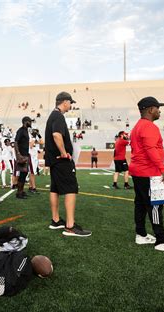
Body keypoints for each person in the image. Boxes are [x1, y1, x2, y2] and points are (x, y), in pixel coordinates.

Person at [129, 96, 164, 253]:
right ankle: (161, 240)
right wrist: (163, 169)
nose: (159, 110)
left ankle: (141, 234)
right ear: (150, 110)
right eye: (157, 108)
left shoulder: (137, 127)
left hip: (138, 171)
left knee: (140, 203)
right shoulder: (149, 127)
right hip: (148, 172)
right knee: (155, 205)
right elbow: (150, 149)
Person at [45, 92, 91, 237]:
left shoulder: (53, 115)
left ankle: (56, 220)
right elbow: (56, 135)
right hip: (61, 160)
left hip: (53, 160)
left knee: (55, 189)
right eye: (70, 103)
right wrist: (64, 153)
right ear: (65, 102)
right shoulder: (58, 116)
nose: (71, 106)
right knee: (71, 188)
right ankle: (70, 226)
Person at [14, 116, 32, 199]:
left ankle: (21, 190)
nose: (31, 123)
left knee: (24, 174)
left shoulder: (25, 130)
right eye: (29, 121)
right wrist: (18, 155)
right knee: (22, 174)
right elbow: (16, 142)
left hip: (25, 155)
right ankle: (19, 192)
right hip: (21, 155)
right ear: (26, 122)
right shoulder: (20, 130)